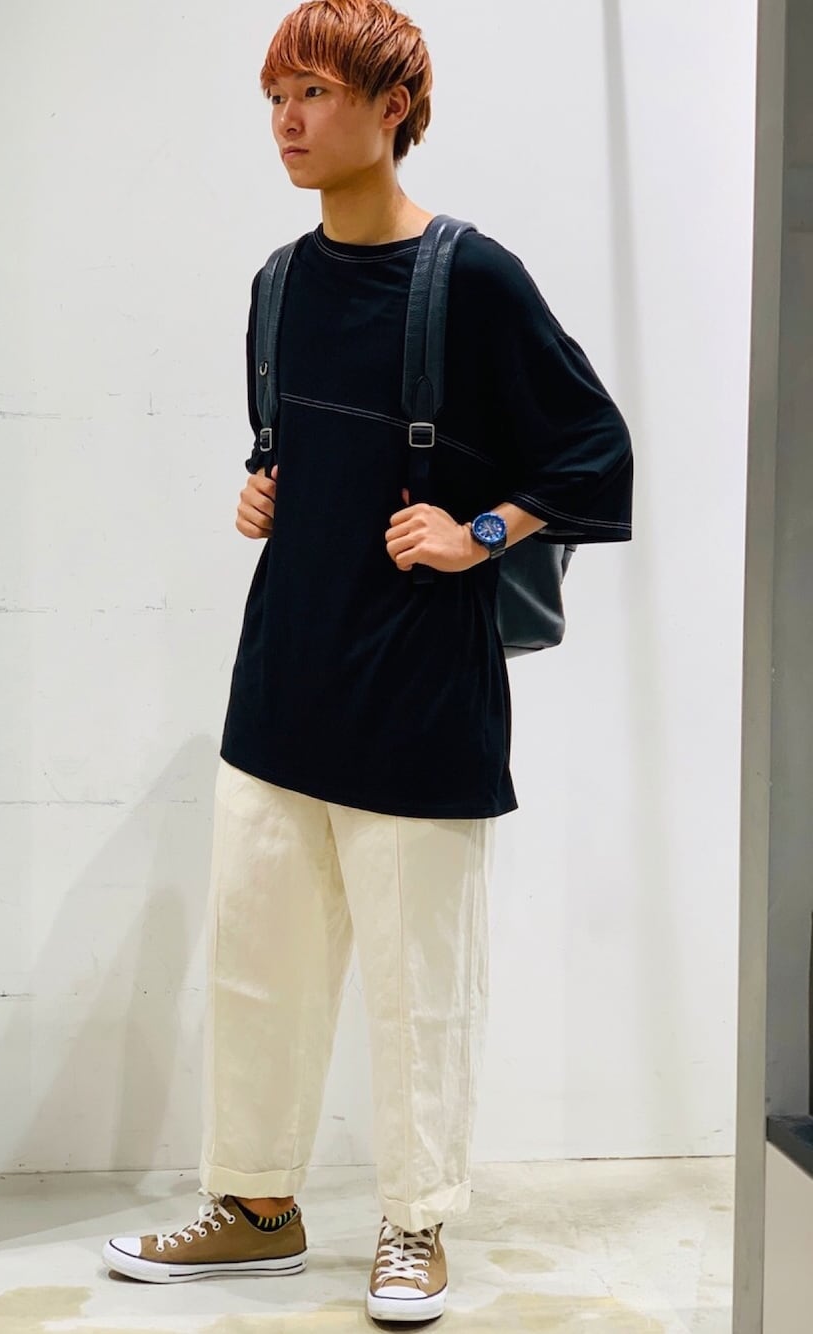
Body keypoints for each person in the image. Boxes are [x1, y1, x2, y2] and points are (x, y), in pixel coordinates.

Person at [103, 0, 633, 1322]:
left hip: (420, 699)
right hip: (282, 685)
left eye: (315, 94)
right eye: (275, 98)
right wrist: (264, 487)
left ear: (393, 108)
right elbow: (295, 446)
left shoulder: (472, 278)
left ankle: (415, 1223)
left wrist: (481, 531)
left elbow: (594, 450)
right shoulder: (278, 286)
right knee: (258, 969)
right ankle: (257, 1207)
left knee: (419, 992)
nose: (287, 122)